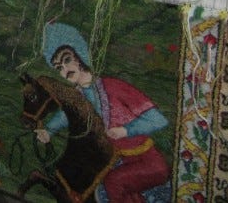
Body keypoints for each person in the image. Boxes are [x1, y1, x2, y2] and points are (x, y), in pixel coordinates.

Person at [35, 22, 171, 202]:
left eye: (67, 60)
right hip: (110, 162)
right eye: (58, 67)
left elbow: (158, 119)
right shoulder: (78, 96)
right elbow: (66, 115)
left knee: (114, 182)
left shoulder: (113, 87)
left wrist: (125, 130)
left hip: (145, 161)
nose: (65, 70)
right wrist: (48, 131)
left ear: (79, 57)